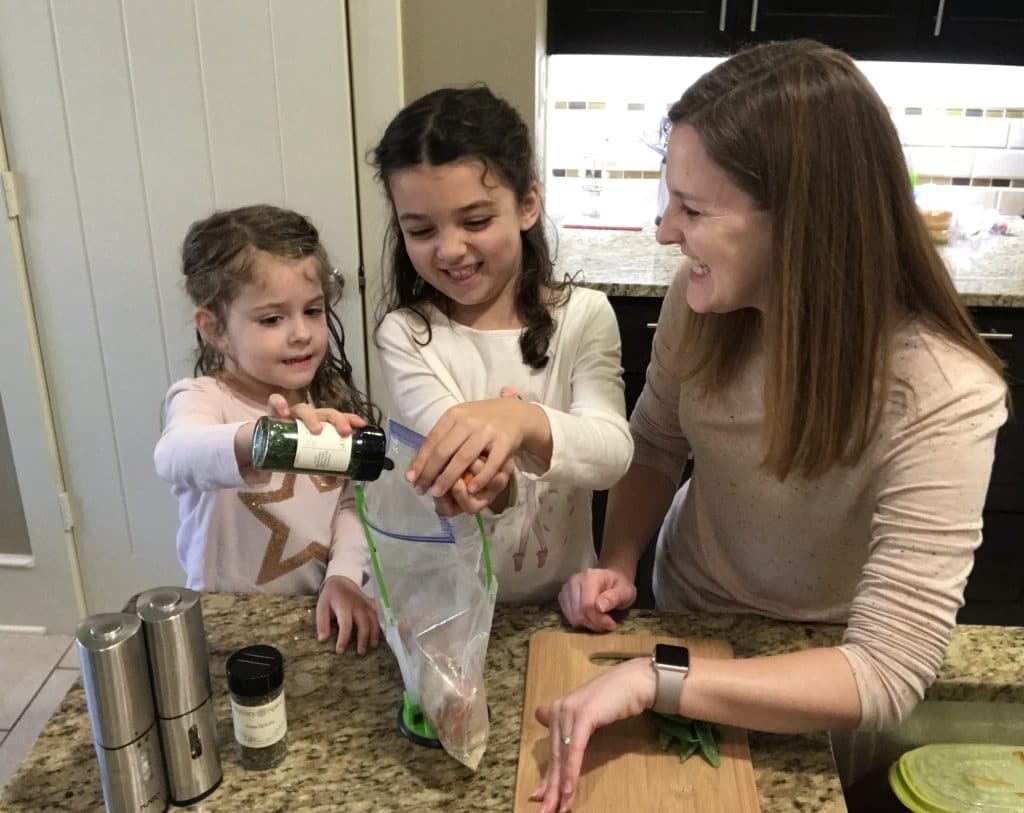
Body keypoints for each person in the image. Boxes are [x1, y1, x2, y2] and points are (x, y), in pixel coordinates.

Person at [535, 40, 1009, 812]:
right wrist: (621, 562)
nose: (663, 231)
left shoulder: (943, 391)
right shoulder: (701, 305)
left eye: (692, 209)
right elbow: (656, 441)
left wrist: (660, 677)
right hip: (688, 604)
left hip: (820, 664)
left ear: (803, 224)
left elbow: (887, 669)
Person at [371, 85, 633, 602]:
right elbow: (464, 464)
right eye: (420, 229)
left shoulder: (583, 315)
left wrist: (523, 420)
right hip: (446, 606)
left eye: (476, 221)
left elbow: (612, 453)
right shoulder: (406, 334)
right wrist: (480, 478)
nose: (450, 249)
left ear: (528, 204)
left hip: (562, 600)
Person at [154, 204, 381, 655]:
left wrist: (344, 576)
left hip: (316, 614)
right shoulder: (203, 399)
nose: (302, 334)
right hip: (225, 624)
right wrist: (254, 440)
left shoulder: (326, 405)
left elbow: (349, 506)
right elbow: (174, 455)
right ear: (214, 328)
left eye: (313, 311)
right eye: (273, 319)